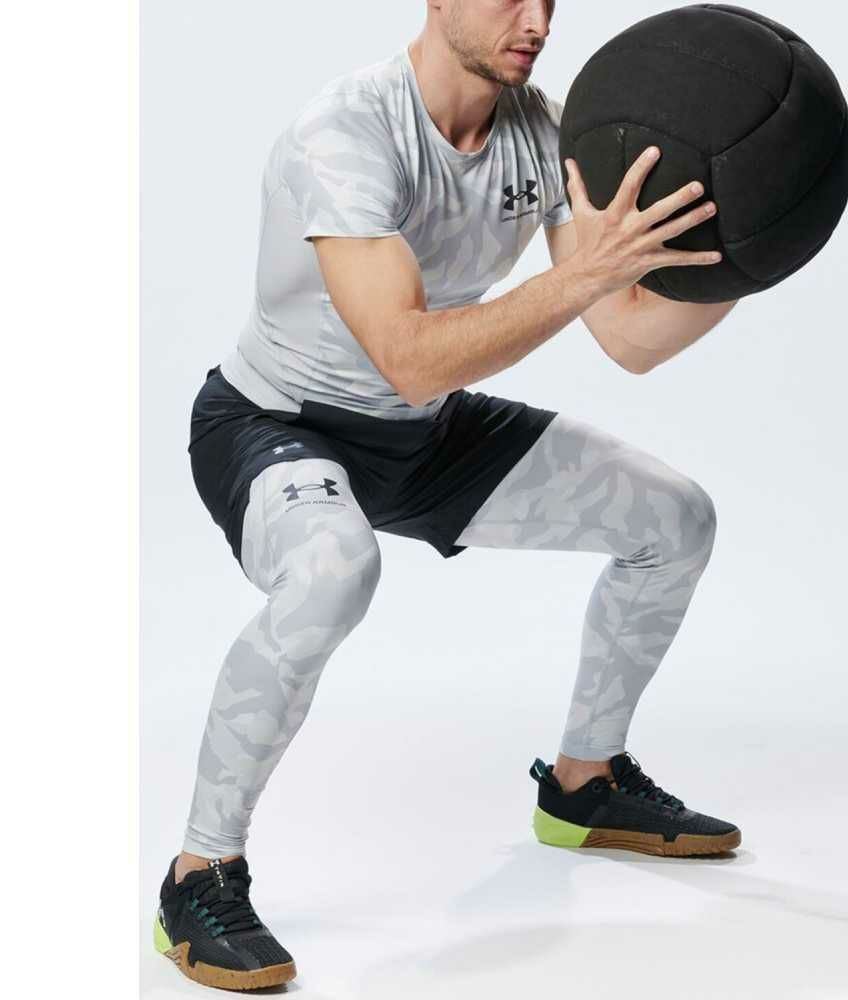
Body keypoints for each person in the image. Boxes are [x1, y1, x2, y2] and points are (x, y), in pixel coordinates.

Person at [154, 0, 742, 989]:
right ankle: (198, 873)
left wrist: (757, 245)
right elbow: (410, 355)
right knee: (334, 569)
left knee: (675, 520)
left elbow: (629, 337)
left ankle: (585, 785)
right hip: (276, 423)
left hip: (424, 433)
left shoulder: (544, 132)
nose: (536, 18)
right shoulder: (346, 132)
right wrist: (586, 276)